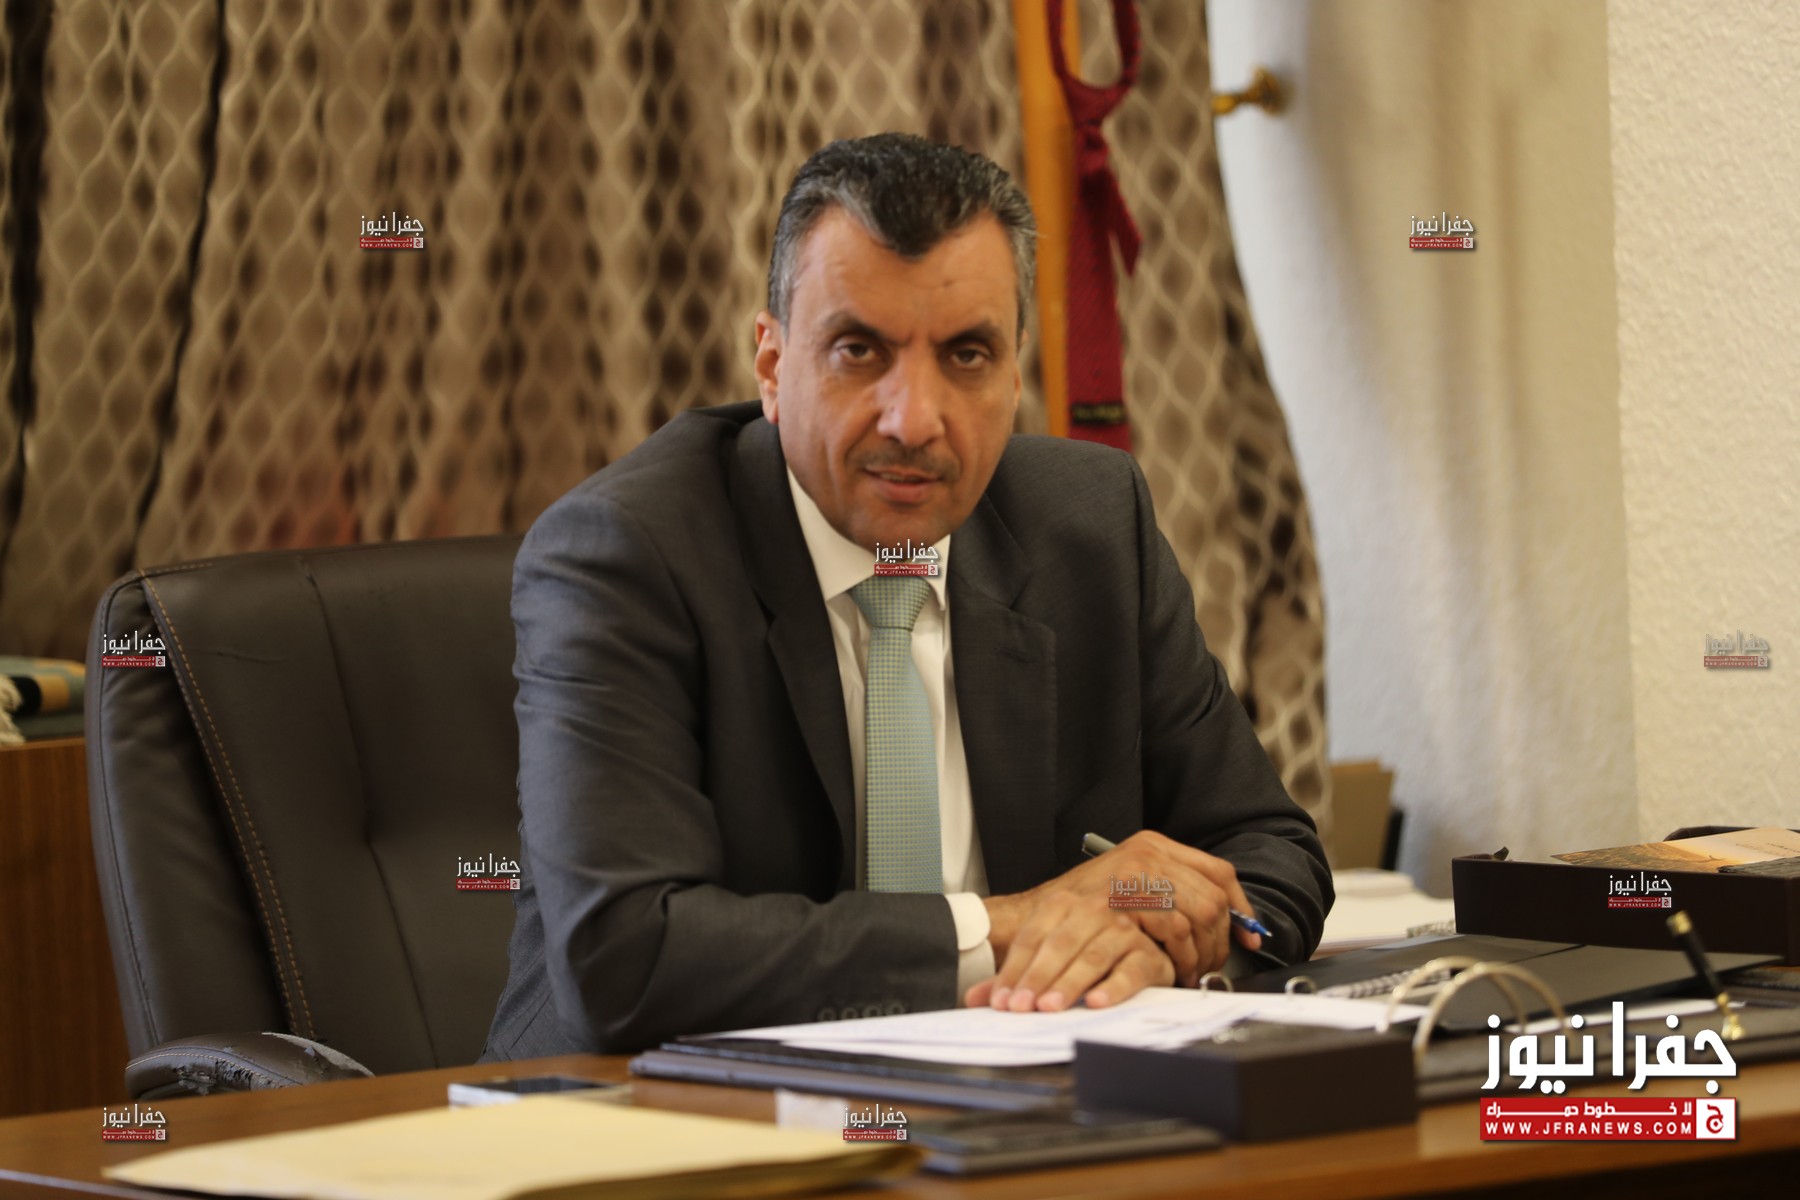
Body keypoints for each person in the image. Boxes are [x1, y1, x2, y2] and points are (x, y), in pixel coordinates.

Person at [480, 133, 1330, 1060]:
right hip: (650, 1114)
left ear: (1015, 372)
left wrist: (1149, 931)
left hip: (1017, 1102)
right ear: (771, 365)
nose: (913, 419)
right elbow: (624, 961)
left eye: (966, 355)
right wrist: (1008, 926)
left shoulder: (1089, 530)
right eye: (858, 350)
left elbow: (1271, 853)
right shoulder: (627, 557)